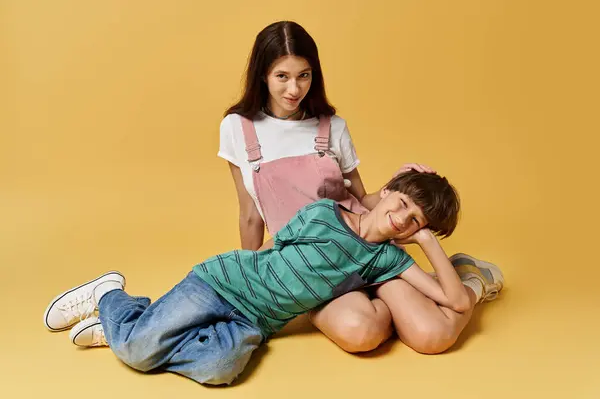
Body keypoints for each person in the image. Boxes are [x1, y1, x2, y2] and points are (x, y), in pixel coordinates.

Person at [43, 171, 502, 385]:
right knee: (139, 356)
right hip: (224, 282)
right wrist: (241, 269)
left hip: (256, 322)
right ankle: (112, 297)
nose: (402, 220)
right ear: (387, 192)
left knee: (220, 371)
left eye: (415, 221)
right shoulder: (325, 213)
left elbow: (457, 302)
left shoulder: (389, 262)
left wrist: (428, 243)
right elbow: (273, 252)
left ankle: (143, 328)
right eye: (402, 204)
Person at [219, 20, 503, 355]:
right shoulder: (238, 128)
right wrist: (251, 281)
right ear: (262, 74)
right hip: (310, 265)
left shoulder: (332, 127)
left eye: (304, 75)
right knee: (360, 333)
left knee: (434, 336)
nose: (294, 89)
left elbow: (362, 199)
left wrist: (397, 186)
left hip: (371, 249)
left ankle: (471, 281)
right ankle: (418, 299)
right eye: (282, 76)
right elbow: (250, 215)